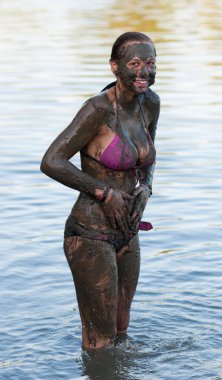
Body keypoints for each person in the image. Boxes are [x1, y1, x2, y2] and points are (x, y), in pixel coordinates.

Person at [40, 31, 160, 350]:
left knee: (121, 334)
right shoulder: (96, 110)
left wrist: (146, 188)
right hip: (90, 233)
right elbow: (51, 161)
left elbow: (148, 156)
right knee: (100, 342)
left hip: (128, 231)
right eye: (134, 63)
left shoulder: (151, 104)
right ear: (114, 67)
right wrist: (104, 192)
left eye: (151, 63)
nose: (144, 71)